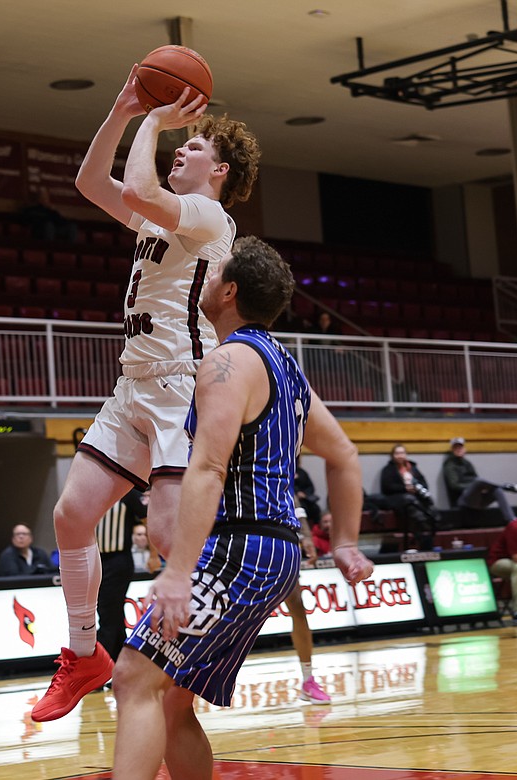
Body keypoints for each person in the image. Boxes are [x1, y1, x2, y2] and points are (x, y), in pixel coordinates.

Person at [37, 63, 260, 723]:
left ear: (217, 172)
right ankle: (84, 656)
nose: (180, 150)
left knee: (167, 532)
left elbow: (136, 183)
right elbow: (88, 182)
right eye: (180, 142)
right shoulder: (159, 219)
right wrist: (121, 110)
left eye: (195, 146)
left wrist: (156, 117)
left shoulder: (207, 215)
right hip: (131, 385)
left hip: (177, 389)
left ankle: (189, 652)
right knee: (71, 516)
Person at [110, 236, 372, 779]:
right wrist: (344, 541)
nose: (203, 281)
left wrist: (179, 571)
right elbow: (344, 455)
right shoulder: (286, 366)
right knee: (171, 699)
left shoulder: (226, 362)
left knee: (134, 676)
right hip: (275, 553)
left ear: (229, 291)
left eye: (212, 276)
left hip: (237, 549)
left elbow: (208, 468)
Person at [95, 489, 148, 662]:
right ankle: (120, 663)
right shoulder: (90, 491)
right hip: (97, 559)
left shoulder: (126, 492)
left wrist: (154, 554)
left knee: (107, 613)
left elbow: (147, 518)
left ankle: (100, 664)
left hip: (118, 559)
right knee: (114, 615)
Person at [284, 520, 332, 704]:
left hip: (278, 538)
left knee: (297, 607)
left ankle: (308, 680)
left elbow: (296, 505)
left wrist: (306, 536)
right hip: (234, 536)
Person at [440, 437, 517, 521]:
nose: (459, 449)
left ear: (464, 449)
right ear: (452, 450)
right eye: (456, 447)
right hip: (462, 500)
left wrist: (481, 488)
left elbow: (476, 479)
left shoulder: (467, 463)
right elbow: (454, 485)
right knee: (479, 481)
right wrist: (472, 486)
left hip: (476, 499)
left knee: (497, 490)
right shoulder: (450, 465)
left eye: (460, 447)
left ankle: (512, 520)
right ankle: (505, 486)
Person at [379, 444, 438, 550]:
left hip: (416, 497)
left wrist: (415, 489)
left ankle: (431, 525)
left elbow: (424, 484)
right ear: (392, 455)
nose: (400, 456)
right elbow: (386, 487)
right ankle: (422, 529)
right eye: (397, 453)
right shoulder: (388, 469)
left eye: (402, 453)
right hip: (398, 498)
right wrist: (405, 488)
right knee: (410, 502)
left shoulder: (413, 468)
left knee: (426, 499)